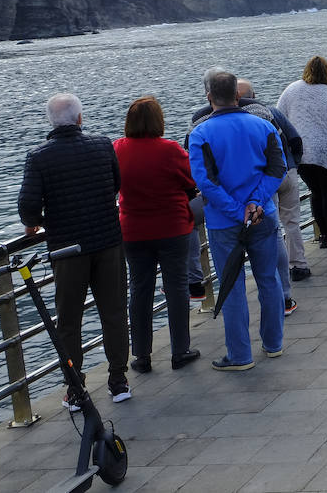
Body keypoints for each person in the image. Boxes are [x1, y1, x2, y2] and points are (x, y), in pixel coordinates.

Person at [19, 93, 132, 405]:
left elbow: (28, 204)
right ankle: (118, 380)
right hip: (108, 241)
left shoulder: (38, 157)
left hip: (67, 249)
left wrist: (37, 222)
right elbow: (116, 184)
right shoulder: (102, 144)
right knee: (114, 313)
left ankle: (76, 388)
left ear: (50, 122)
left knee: (68, 321)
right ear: (80, 118)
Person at [186, 71, 286, 371]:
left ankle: (240, 355)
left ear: (208, 98)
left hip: (223, 222)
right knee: (269, 278)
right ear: (237, 96)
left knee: (232, 285)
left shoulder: (200, 134)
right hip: (263, 215)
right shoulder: (263, 125)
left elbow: (205, 182)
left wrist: (235, 210)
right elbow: (276, 169)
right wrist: (255, 203)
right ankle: (274, 343)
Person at [114, 96, 201, 374]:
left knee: (139, 290)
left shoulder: (117, 148)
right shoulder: (170, 149)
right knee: (176, 288)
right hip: (172, 227)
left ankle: (141, 355)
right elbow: (191, 181)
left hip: (133, 230)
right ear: (158, 121)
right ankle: (180, 350)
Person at [234, 79, 303, 312]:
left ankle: (271, 292)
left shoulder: (234, 123)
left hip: (263, 184)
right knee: (289, 223)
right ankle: (296, 269)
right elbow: (294, 138)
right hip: (285, 171)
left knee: (271, 234)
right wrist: (294, 164)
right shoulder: (269, 113)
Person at [277, 56, 327, 253]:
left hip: (302, 154)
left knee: (316, 193)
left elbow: (279, 116)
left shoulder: (291, 90)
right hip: (326, 154)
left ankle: (324, 236)